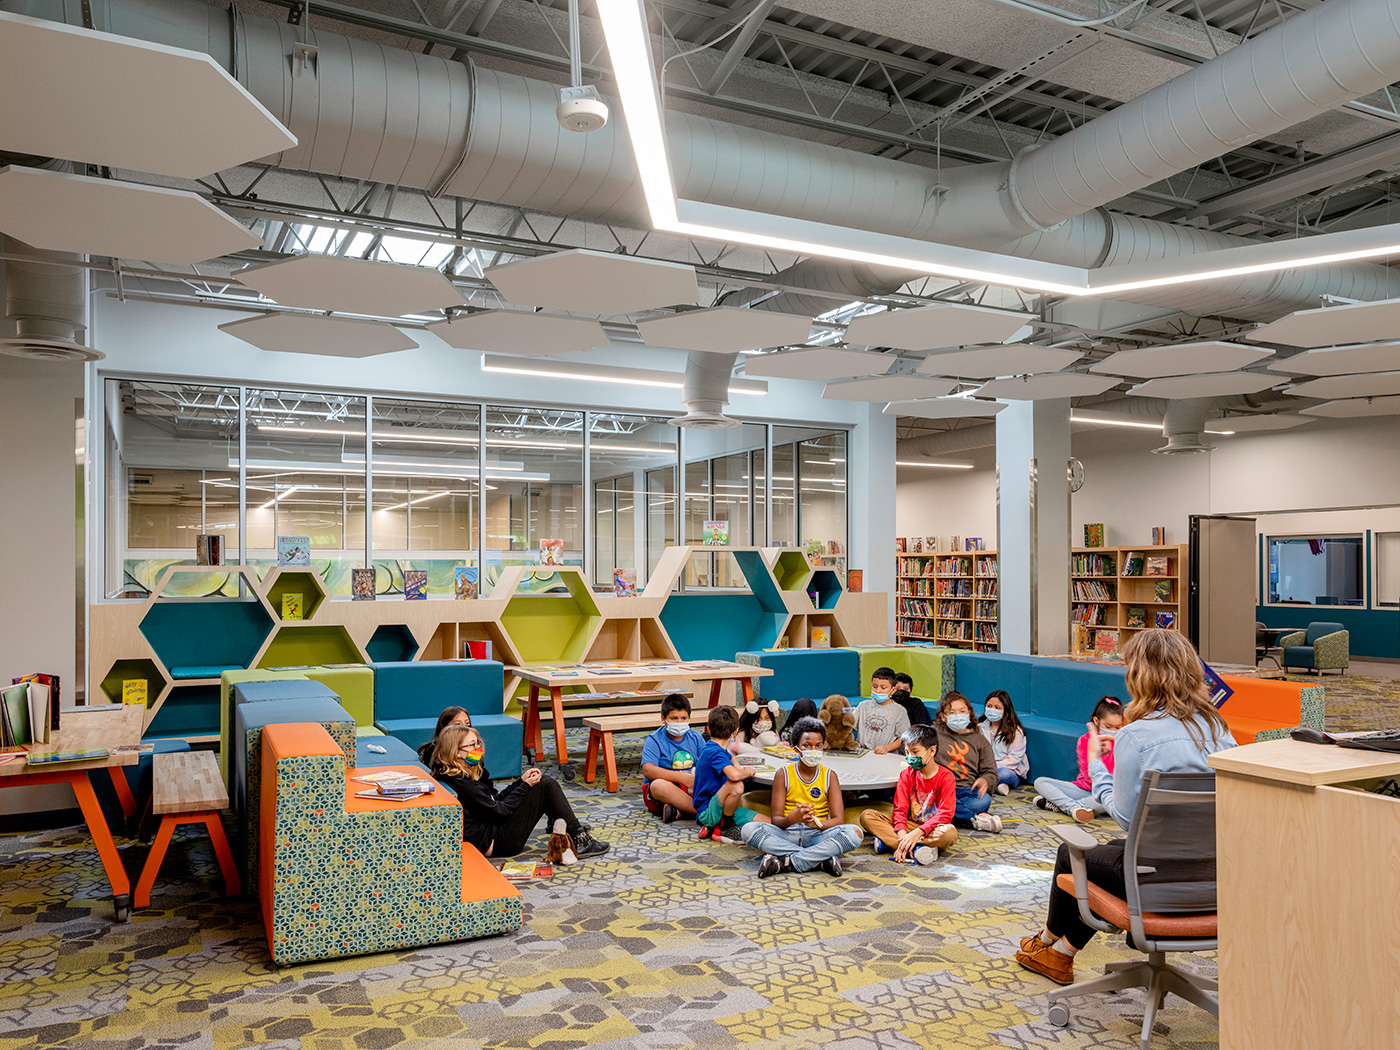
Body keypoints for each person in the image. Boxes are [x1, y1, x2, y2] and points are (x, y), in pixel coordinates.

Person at [1015, 629, 1238, 986]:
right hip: (1214, 879)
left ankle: (1049, 946)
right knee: (1113, 853)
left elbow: (1124, 818)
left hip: (1152, 883)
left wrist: (1097, 764)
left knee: (1072, 853)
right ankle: (1058, 951)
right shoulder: (1220, 730)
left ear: (1141, 675)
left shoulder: (1138, 735)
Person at [429, 725, 609, 859]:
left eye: (477, 743)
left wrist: (520, 782)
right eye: (471, 745)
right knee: (545, 785)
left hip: (492, 831)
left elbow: (493, 801)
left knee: (542, 781)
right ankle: (579, 837)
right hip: (499, 842)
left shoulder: (455, 776)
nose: (478, 749)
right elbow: (499, 811)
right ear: (456, 752)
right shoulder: (464, 785)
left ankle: (574, 831)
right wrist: (525, 786)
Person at [741, 717, 864, 877]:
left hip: (818, 835)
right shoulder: (783, 774)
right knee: (748, 830)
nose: (813, 750)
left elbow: (838, 820)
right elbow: (777, 820)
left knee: (855, 833)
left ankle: (788, 861)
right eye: (807, 746)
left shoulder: (829, 775)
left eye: (818, 746)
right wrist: (793, 818)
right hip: (787, 835)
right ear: (795, 749)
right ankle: (819, 858)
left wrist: (817, 825)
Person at [859, 724, 957, 865]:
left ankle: (892, 844)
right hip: (909, 825)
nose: (910, 757)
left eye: (915, 752)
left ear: (932, 751)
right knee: (867, 816)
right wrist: (903, 834)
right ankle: (916, 848)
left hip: (931, 828)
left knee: (950, 833)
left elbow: (945, 814)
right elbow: (900, 810)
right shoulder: (906, 775)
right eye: (907, 752)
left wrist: (918, 832)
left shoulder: (946, 777)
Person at [1031, 697, 1124, 823]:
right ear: (1096, 721)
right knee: (1040, 782)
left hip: (1106, 792)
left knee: (1114, 799)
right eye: (1108, 726)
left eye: (1117, 727)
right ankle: (1073, 808)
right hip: (1084, 789)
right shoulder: (1086, 740)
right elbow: (1088, 776)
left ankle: (1062, 805)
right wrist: (1099, 755)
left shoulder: (1123, 742)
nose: (1112, 731)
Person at [692, 705, 769, 843]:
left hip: (721, 807)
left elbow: (730, 758)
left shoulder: (713, 748)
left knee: (769, 822)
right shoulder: (715, 753)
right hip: (707, 811)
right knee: (737, 785)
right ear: (736, 731)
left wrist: (736, 764)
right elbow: (734, 775)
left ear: (708, 728)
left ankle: (716, 826)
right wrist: (746, 772)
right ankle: (726, 828)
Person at [933, 691, 1002, 833]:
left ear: (969, 713)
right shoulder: (933, 735)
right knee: (925, 800)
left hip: (966, 792)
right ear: (943, 717)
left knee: (983, 801)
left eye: (962, 711)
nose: (958, 716)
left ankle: (940, 815)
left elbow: (991, 772)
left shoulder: (979, 740)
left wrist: (985, 780)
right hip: (940, 790)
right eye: (952, 712)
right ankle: (974, 819)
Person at [640, 693, 707, 824]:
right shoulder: (654, 739)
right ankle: (704, 812)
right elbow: (648, 770)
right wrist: (681, 778)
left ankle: (679, 810)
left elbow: (706, 762)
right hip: (665, 789)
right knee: (658, 786)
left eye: (683, 718)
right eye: (674, 718)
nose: (679, 722)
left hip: (692, 785)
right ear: (663, 719)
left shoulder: (696, 737)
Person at [979, 690, 1029, 794]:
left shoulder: (1015, 731)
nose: (992, 710)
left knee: (1004, 774)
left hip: (1010, 770)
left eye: (997, 708)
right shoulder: (979, 728)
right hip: (984, 769)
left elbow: (1014, 758)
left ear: (1006, 710)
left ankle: (985, 784)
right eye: (989, 706)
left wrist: (991, 767)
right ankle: (996, 786)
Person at [854, 668, 911, 755]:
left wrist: (886, 748)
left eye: (883, 688)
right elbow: (848, 725)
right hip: (863, 753)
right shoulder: (863, 706)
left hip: (887, 755)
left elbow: (904, 738)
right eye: (874, 686)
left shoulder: (900, 711)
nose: (878, 691)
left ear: (893, 690)